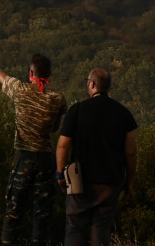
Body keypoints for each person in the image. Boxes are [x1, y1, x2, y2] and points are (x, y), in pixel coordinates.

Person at [0, 48, 68, 246]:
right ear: (49, 75)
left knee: (14, 210)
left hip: (23, 157)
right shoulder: (58, 99)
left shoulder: (19, 90)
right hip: (45, 159)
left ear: (30, 73)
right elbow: (55, 128)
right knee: (42, 214)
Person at [55, 68, 138, 246]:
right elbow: (131, 152)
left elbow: (63, 145)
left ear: (92, 84)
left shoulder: (77, 110)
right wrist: (129, 183)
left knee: (75, 228)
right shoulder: (124, 113)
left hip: (79, 182)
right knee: (101, 229)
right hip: (110, 182)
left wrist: (61, 174)